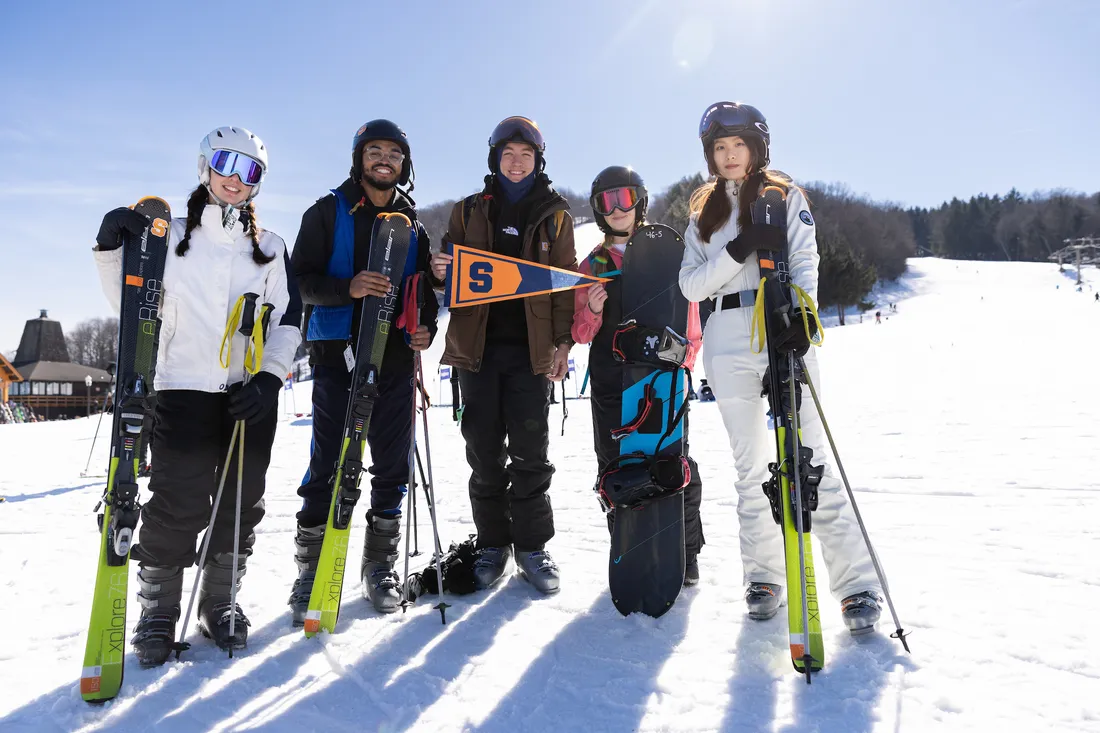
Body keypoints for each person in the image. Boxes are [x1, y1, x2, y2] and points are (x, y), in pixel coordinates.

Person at [93, 126, 301, 663]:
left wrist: (270, 379)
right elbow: (130, 302)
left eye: (249, 170)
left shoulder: (271, 248)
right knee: (177, 504)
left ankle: (219, 602)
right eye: (227, 165)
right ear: (205, 166)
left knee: (240, 503)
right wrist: (111, 248)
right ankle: (158, 612)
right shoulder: (170, 236)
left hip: (248, 394)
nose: (236, 179)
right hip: (182, 390)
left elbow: (287, 320)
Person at [677, 102, 883, 634]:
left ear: (757, 147)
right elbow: (692, 287)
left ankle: (856, 586)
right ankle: (764, 576)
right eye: (719, 148)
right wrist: (739, 248)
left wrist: (802, 321)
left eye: (738, 146)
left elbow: (806, 262)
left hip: (783, 330)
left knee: (809, 456)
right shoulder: (702, 214)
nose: (729, 156)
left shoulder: (784, 197)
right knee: (751, 468)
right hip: (725, 340)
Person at [289, 120, 437, 618]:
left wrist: (425, 329)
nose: (384, 160)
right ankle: (311, 573)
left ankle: (379, 565)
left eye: (394, 153)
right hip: (337, 355)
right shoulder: (326, 212)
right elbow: (300, 284)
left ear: (404, 164)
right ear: (358, 158)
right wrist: (347, 288)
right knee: (328, 463)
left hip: (394, 357)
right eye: (374, 150)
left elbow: (424, 295)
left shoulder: (412, 225)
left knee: (392, 465)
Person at [429, 116, 575, 595]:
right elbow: (449, 278)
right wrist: (439, 269)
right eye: (508, 154)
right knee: (484, 452)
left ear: (538, 161)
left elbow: (563, 284)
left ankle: (532, 546)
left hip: (530, 355)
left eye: (526, 155)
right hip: (478, 352)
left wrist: (563, 343)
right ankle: (494, 543)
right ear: (495, 158)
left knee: (531, 453)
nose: (516, 163)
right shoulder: (468, 210)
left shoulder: (555, 215)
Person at [571, 166, 706, 583]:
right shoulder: (591, 263)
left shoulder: (669, 254)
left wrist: (685, 363)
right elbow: (578, 333)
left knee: (672, 459)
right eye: (607, 202)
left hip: (660, 376)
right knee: (616, 464)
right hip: (612, 380)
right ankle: (626, 547)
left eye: (624, 198)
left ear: (639, 201)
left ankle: (685, 552)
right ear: (597, 209)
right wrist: (592, 310)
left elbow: (691, 320)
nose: (617, 209)